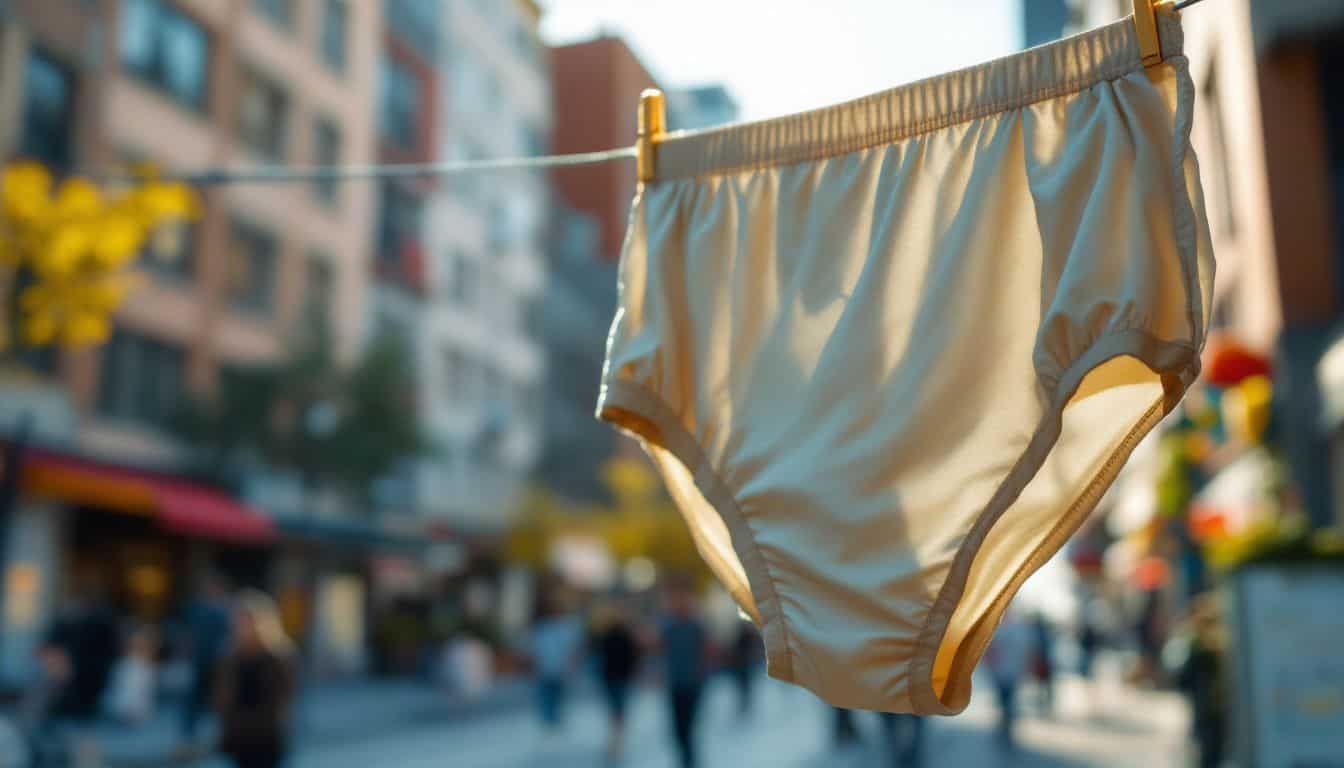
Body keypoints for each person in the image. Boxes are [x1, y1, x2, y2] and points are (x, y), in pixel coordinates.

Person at [214, 591, 296, 768]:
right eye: (241, 622)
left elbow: (283, 698)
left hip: (267, 737)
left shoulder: (278, 656)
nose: (244, 628)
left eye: (249, 622)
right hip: (238, 737)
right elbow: (221, 696)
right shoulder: (230, 655)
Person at [659, 577, 708, 768]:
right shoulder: (667, 625)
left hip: (693, 683)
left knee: (688, 727)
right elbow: (657, 648)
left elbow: (708, 650)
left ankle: (689, 761)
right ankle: (685, 760)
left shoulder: (697, 625)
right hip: (675, 681)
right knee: (678, 729)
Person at [179, 572, 233, 743]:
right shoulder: (200, 608)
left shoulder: (221, 608)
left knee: (212, 698)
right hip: (203, 660)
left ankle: (204, 733)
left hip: (215, 661)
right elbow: (188, 634)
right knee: (195, 699)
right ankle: (190, 734)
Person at [1174, 595, 1227, 768]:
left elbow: (1183, 679)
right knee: (1212, 749)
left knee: (1209, 749)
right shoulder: (1215, 645)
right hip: (1211, 706)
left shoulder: (1198, 644)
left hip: (1207, 706)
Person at [592, 599, 642, 762]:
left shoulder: (624, 634)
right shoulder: (611, 634)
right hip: (613, 676)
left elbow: (635, 656)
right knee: (617, 709)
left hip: (617, 677)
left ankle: (616, 740)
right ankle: (616, 739)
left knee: (617, 709)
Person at [529, 592, 585, 732]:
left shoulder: (569, 627)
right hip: (545, 667)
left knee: (559, 695)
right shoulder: (542, 627)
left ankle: (555, 719)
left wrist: (572, 665)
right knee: (546, 695)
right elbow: (535, 648)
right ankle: (549, 720)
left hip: (562, 668)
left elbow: (576, 648)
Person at [985, 609, 1034, 751]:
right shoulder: (1021, 630)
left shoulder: (1000, 630)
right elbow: (1028, 651)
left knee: (1004, 701)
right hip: (1012, 672)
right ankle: (1007, 727)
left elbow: (990, 651)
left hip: (1002, 672)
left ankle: (1005, 726)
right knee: (1009, 701)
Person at [103, 624, 158, 724]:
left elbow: (146, 691)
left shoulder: (148, 668)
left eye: (142, 644)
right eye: (136, 643)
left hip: (137, 710)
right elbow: (116, 686)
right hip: (120, 708)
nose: (138, 646)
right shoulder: (122, 664)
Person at [726, 620, 761, 718]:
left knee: (745, 687)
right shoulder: (739, 637)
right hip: (741, 666)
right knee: (743, 687)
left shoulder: (748, 637)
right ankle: (744, 705)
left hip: (745, 666)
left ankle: (745, 706)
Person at [1031, 613, 1056, 715]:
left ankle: (1044, 702)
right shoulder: (1047, 634)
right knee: (1045, 685)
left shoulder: (1036, 634)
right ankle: (1045, 702)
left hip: (1043, 662)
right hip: (1045, 662)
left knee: (1042, 685)